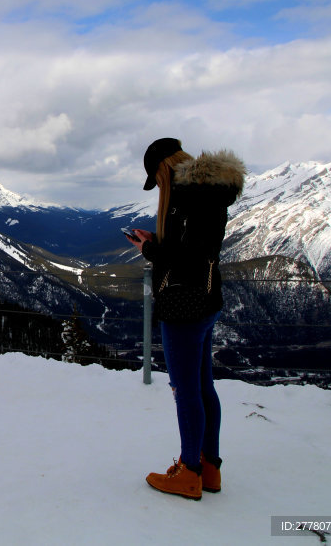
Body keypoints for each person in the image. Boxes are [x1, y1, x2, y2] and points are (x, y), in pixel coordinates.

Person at [127, 137, 245, 501]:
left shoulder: (185, 197)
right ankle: (210, 467)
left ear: (163, 167)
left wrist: (148, 249)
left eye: (157, 178)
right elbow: (195, 250)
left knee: (185, 391)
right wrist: (158, 243)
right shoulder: (211, 193)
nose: (160, 187)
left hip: (183, 305)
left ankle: (189, 471)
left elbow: (182, 258)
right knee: (203, 386)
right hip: (208, 299)